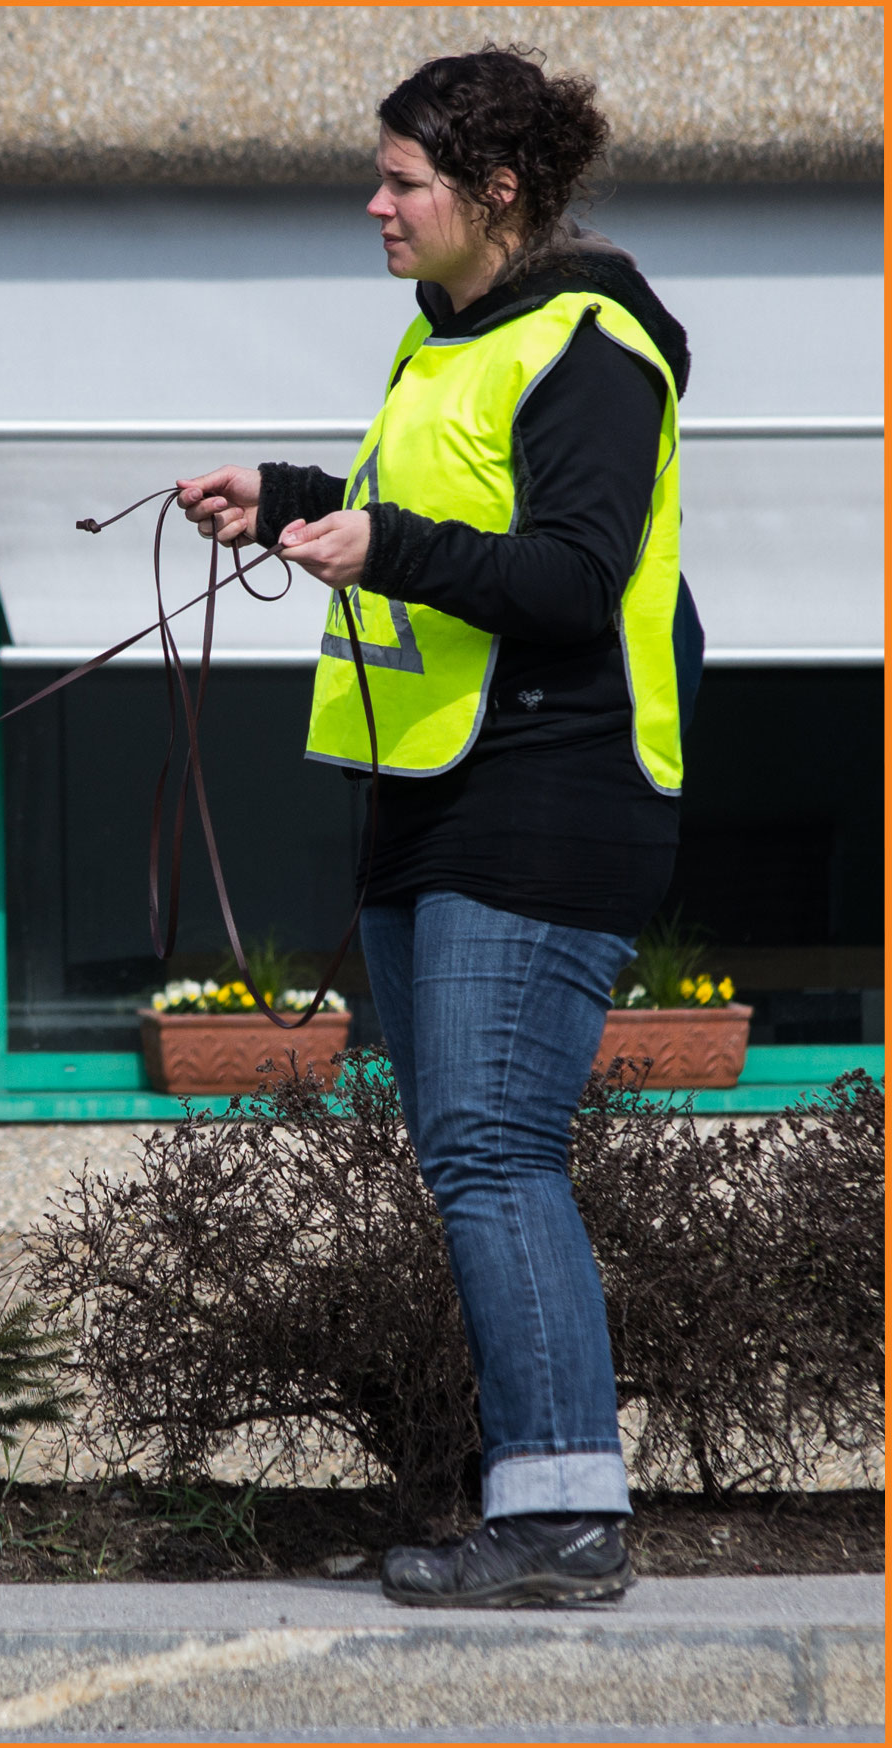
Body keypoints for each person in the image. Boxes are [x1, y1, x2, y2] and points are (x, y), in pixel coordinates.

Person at [176, 46, 699, 1608]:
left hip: (551, 798)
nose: (377, 205)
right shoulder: (453, 344)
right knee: (467, 1150)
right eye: (384, 177)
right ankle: (532, 1504)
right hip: (432, 800)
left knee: (492, 1149)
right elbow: (443, 529)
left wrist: (381, 542)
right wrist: (288, 499)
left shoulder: (592, 344)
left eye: (404, 181)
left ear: (499, 192)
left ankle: (560, 1522)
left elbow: (568, 576)